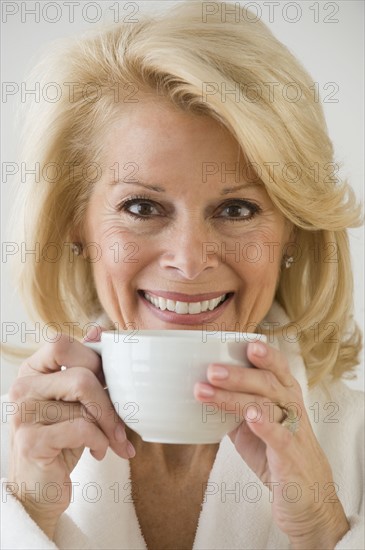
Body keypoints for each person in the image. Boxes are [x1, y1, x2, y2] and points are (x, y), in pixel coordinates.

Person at [1, 2, 363, 549]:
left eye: (237, 210)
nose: (189, 261)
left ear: (295, 231)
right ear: (75, 224)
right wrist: (26, 514)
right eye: (143, 208)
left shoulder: (356, 440)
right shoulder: (17, 448)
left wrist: (322, 531)